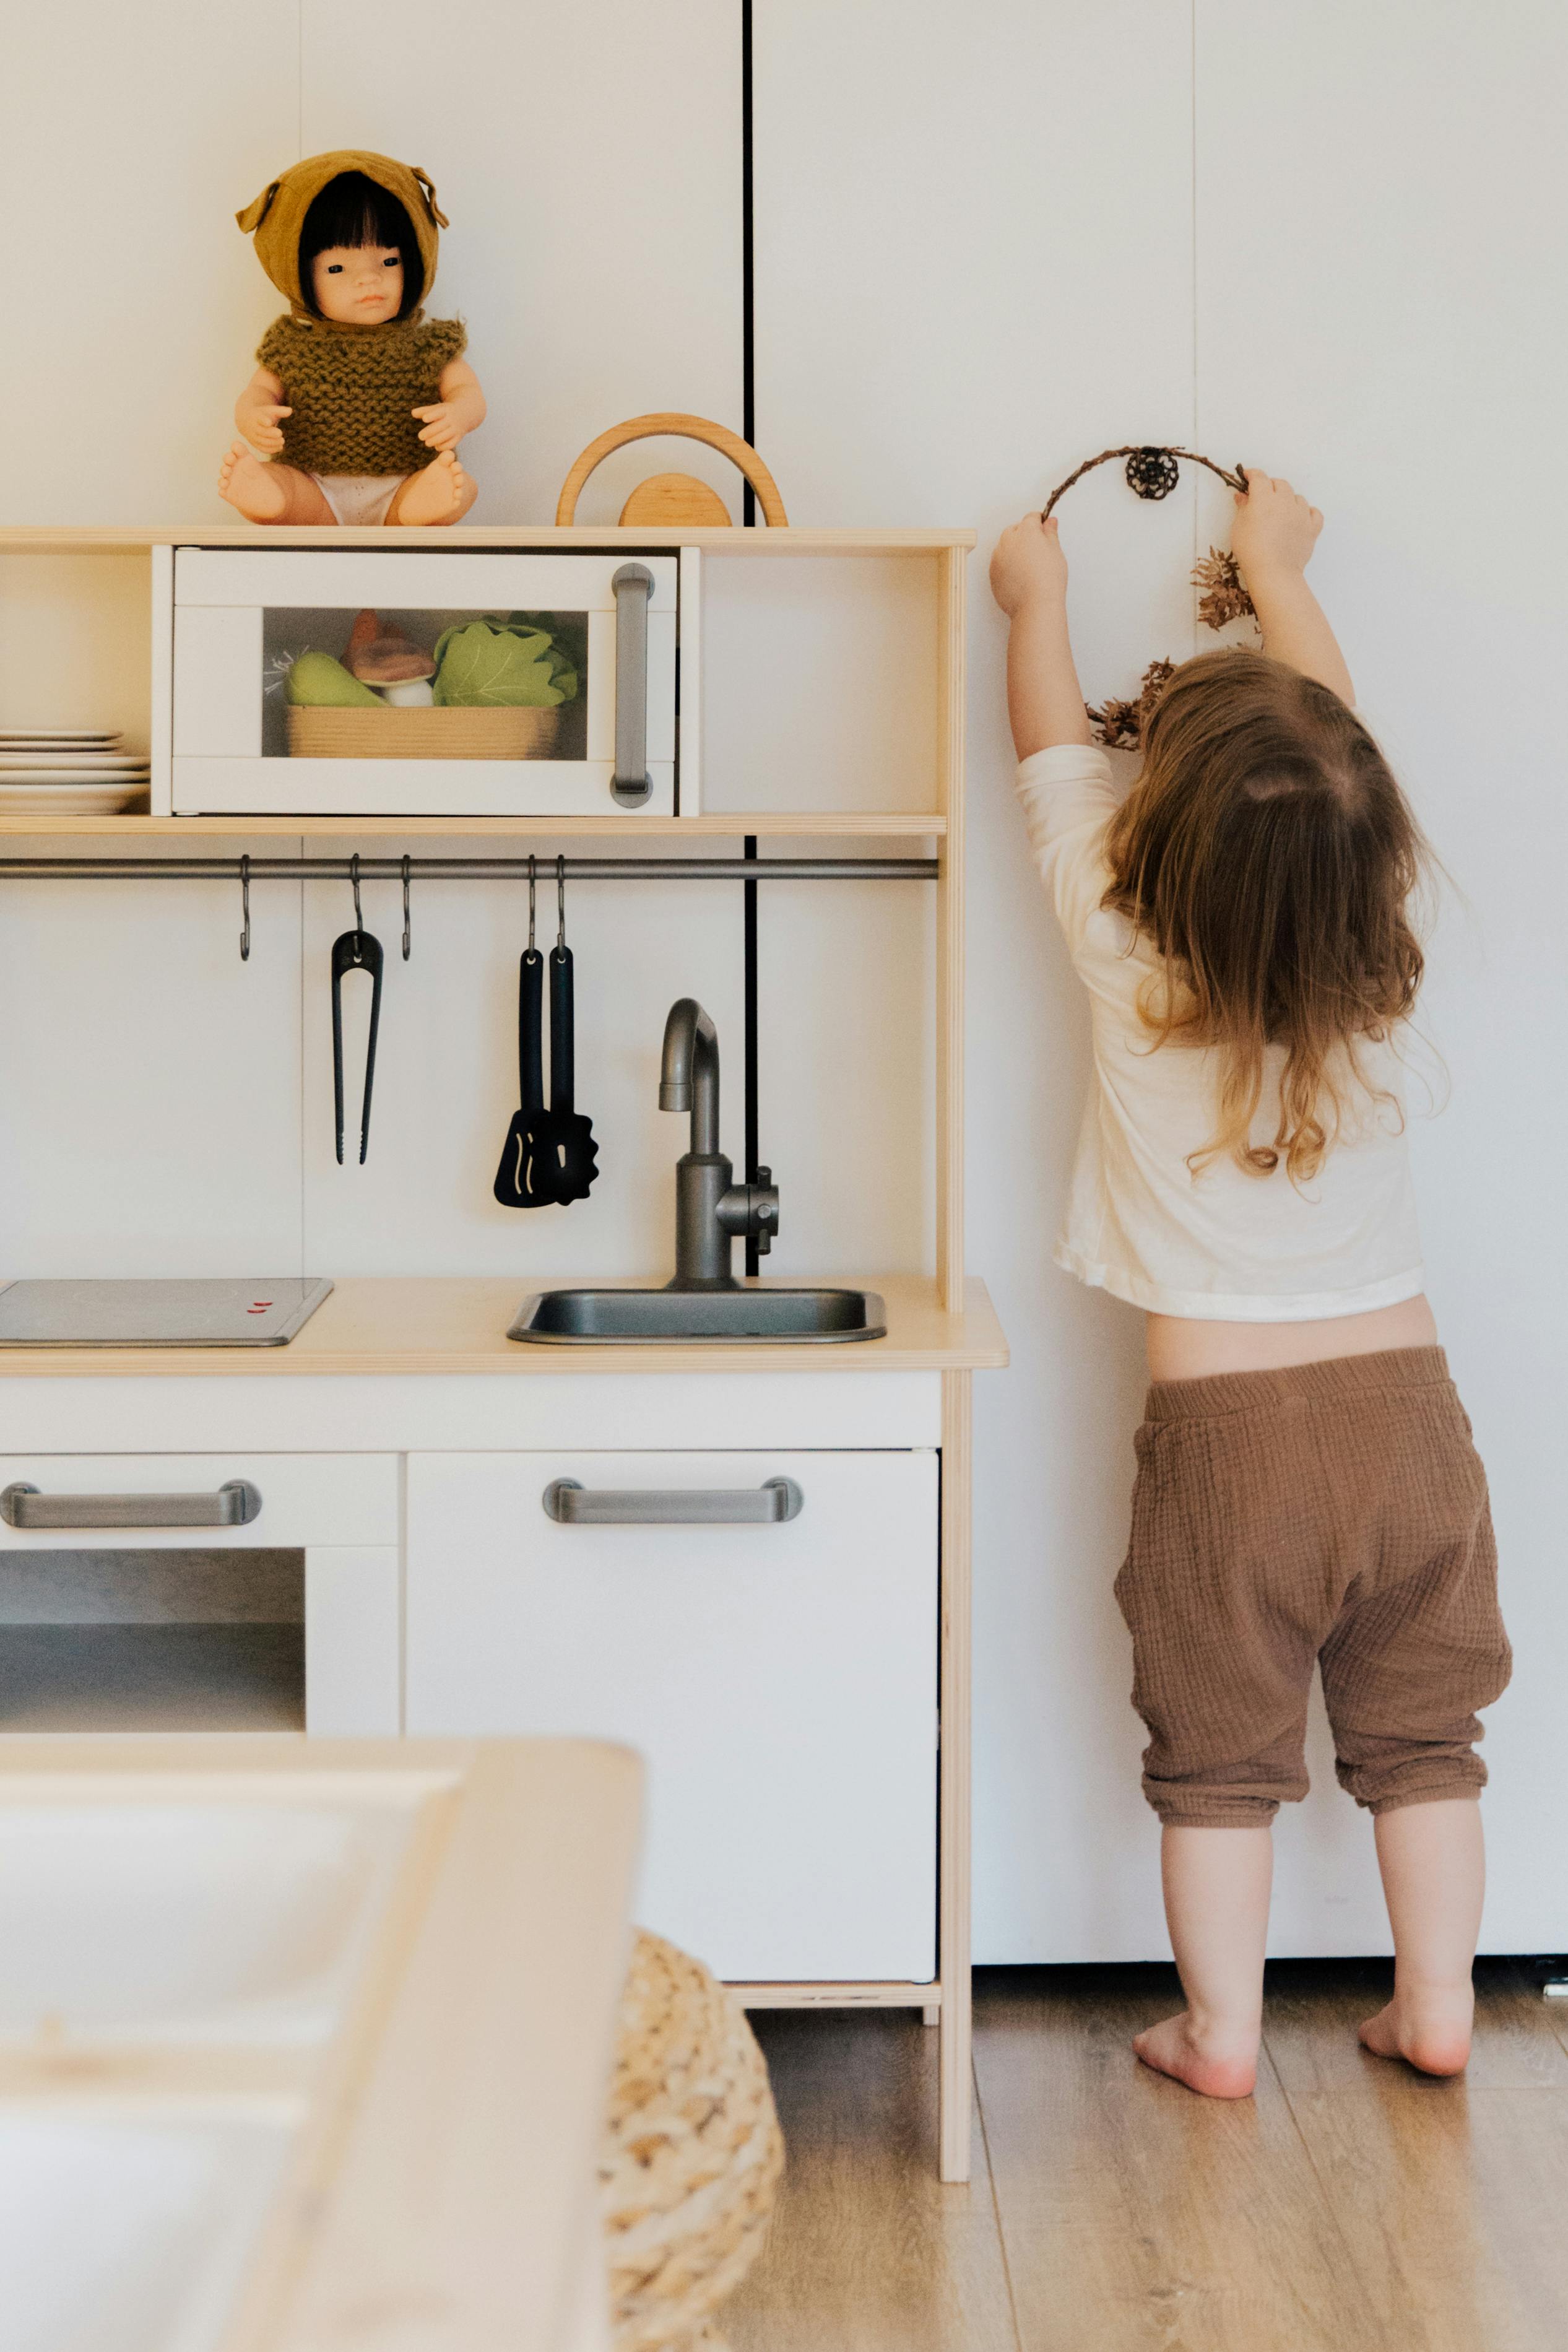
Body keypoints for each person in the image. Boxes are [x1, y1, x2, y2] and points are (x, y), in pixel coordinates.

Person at [989, 471, 1510, 2097]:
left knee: (1214, 1759)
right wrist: (1276, 569)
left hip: (1227, 1439)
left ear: (1159, 832)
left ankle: (1217, 2032)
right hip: (1410, 1421)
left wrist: (1030, 599)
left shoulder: (1119, 947)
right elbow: (1328, 747)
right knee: (1424, 1735)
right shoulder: (1369, 947)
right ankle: (1433, 1999)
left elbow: (1049, 756)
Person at [220, 152, 485, 527]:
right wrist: (252, 415)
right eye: (337, 268)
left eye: (389, 262)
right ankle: (268, 496)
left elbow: (467, 391)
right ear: (298, 274)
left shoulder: (431, 345)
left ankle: (420, 507)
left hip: (404, 482)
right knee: (289, 490)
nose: (368, 279)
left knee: (464, 488)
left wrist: (460, 413)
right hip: (315, 485)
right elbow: (259, 392)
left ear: (418, 259)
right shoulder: (293, 347)